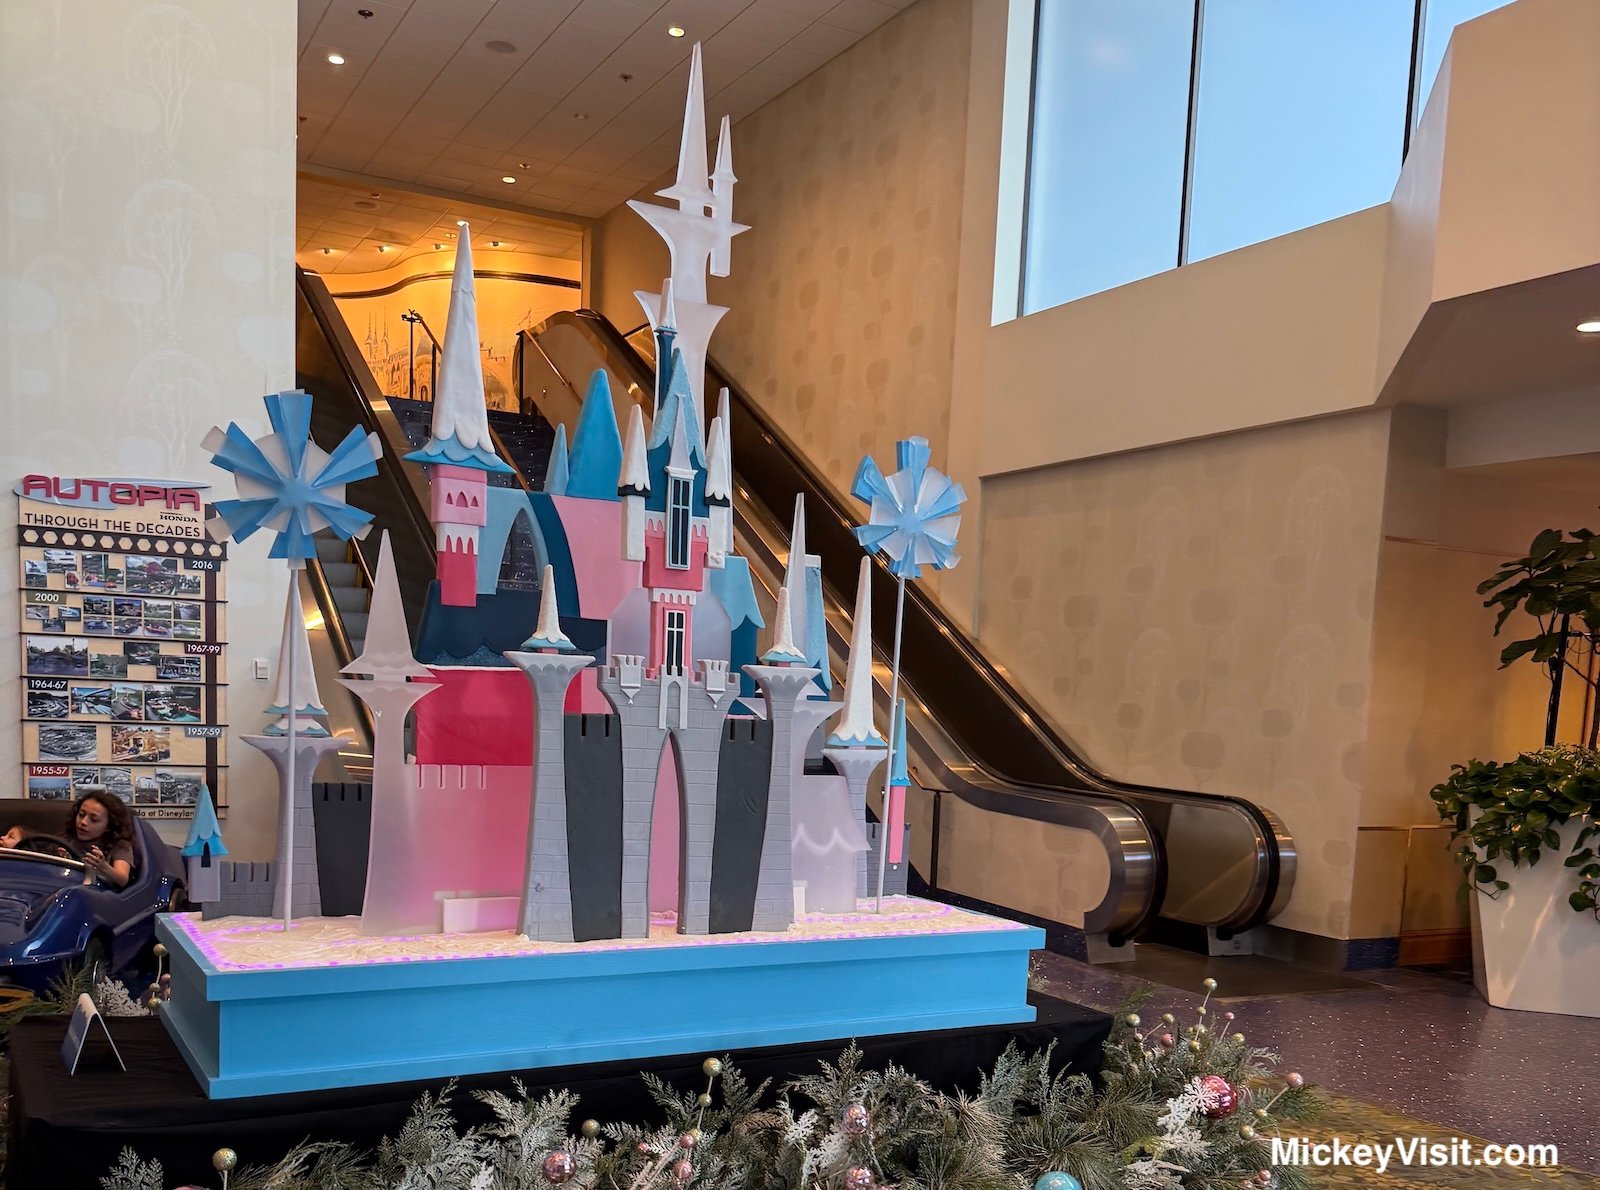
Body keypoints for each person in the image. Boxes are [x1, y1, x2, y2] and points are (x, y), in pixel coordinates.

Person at [64, 792, 134, 888]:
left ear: (108, 826)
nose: (83, 822)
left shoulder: (120, 845)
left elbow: (122, 879)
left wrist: (103, 867)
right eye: (81, 815)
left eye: (94, 820)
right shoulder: (67, 839)